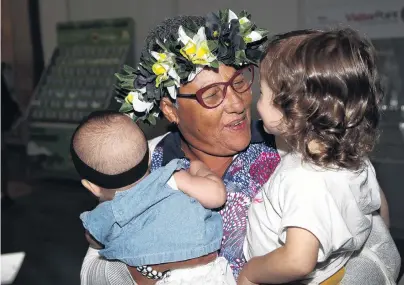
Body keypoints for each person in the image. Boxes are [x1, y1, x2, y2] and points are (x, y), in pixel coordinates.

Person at [80, 8, 281, 285]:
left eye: (239, 82)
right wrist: (155, 266)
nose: (237, 104)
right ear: (170, 110)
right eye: (212, 95)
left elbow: (361, 256)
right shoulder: (141, 163)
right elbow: (93, 274)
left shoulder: (288, 150)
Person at [239, 29, 401, 285]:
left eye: (263, 93)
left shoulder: (304, 180)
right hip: (338, 267)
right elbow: (379, 207)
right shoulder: (352, 155)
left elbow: (298, 261)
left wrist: (250, 273)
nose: (256, 103)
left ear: (294, 110)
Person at [71, 110, 235, 284]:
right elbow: (217, 196)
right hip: (207, 274)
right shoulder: (170, 178)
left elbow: (93, 240)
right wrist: (200, 169)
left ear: (92, 187)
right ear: (149, 156)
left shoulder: (105, 216)